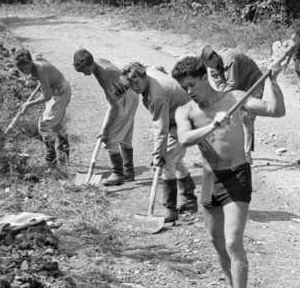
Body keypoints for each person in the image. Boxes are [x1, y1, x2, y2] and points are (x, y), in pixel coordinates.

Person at [171, 54, 286, 288]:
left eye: (191, 85)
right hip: (210, 177)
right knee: (216, 241)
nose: (189, 92)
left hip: (236, 175)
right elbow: (185, 139)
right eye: (183, 88)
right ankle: (230, 286)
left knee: (233, 241)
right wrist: (213, 125)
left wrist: (273, 81)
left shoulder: (234, 98)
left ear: (204, 77)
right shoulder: (185, 111)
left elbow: (276, 110)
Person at [121, 62, 198, 223]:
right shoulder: (149, 73)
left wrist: (157, 155)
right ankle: (189, 200)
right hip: (178, 116)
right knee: (175, 159)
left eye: (136, 83)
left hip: (186, 120)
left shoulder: (157, 95)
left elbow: (160, 128)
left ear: (144, 76)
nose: (134, 87)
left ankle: (170, 209)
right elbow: (156, 67)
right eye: (131, 85)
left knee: (167, 160)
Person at [72, 49, 140, 186]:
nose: (85, 75)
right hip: (130, 94)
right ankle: (129, 172)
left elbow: (114, 107)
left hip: (125, 99)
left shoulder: (105, 75)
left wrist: (105, 130)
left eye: (85, 70)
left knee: (109, 139)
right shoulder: (99, 62)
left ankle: (118, 173)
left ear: (90, 64)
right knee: (125, 135)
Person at [199, 45, 264, 158]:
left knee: (247, 118)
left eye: (209, 64)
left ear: (214, 57)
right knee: (231, 117)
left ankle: (247, 155)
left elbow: (232, 84)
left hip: (253, 84)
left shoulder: (230, 59)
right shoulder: (212, 67)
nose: (209, 67)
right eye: (207, 66)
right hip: (238, 87)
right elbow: (220, 85)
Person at [14, 48, 71, 169]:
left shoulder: (39, 70)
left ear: (29, 62)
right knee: (56, 123)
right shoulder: (34, 61)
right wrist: (45, 80)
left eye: (24, 68)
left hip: (60, 92)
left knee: (45, 125)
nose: (23, 71)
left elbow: (47, 96)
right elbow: (38, 55)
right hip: (57, 89)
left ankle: (51, 159)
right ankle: (64, 156)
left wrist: (28, 104)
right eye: (20, 69)